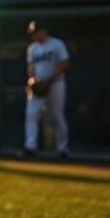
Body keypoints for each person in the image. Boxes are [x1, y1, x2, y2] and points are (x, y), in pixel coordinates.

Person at [23, 20, 70, 159]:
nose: (34, 36)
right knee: (31, 114)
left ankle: (63, 149)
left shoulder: (57, 44)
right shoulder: (32, 48)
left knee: (58, 116)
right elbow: (31, 67)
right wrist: (32, 81)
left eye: (35, 32)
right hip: (38, 87)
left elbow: (65, 63)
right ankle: (30, 147)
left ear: (43, 31)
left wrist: (49, 80)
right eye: (32, 34)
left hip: (55, 84)